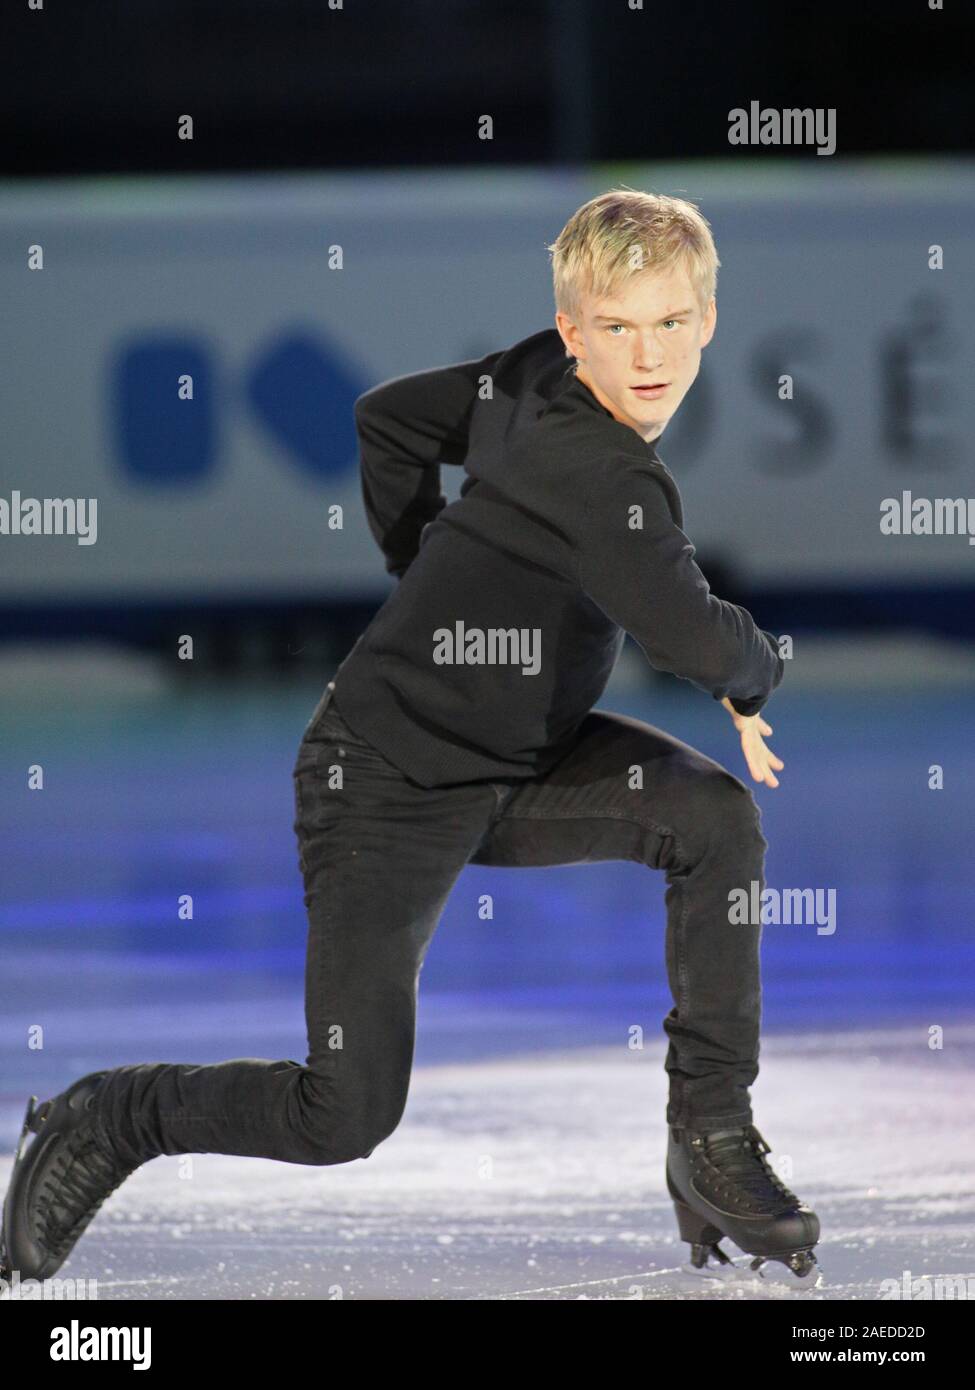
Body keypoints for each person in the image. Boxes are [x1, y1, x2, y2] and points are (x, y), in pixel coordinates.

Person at [1, 188, 819, 1288]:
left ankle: (709, 1136)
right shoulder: (607, 477)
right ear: (574, 332)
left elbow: (386, 418)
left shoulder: (526, 374)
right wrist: (760, 673)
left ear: (708, 318)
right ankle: (108, 1116)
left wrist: (424, 568)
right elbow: (694, 635)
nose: (648, 354)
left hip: (523, 763)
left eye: (670, 322)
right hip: (380, 780)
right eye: (616, 328)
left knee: (716, 821)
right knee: (343, 1112)